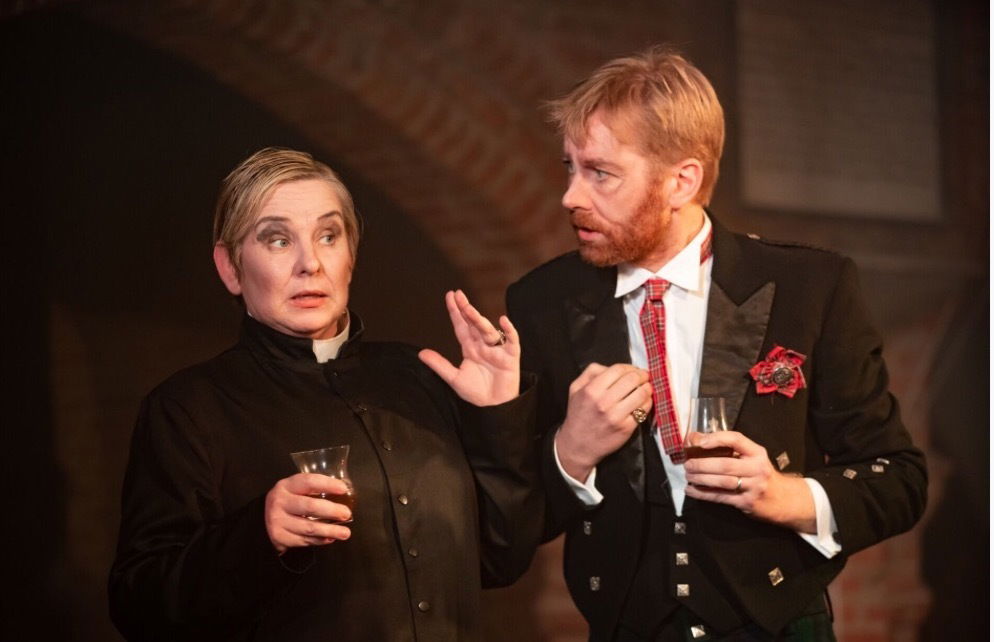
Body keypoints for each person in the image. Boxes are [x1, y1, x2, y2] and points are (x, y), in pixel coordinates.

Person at [506, 46, 927, 641]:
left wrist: (784, 495)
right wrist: (569, 451)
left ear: (682, 181)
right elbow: (510, 519)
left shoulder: (810, 286)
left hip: (781, 625)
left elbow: (899, 479)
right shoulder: (541, 302)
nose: (571, 196)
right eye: (570, 168)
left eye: (600, 173)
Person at [109, 147, 542, 641]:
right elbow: (138, 607)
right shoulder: (189, 408)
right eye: (278, 240)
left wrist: (496, 420)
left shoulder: (418, 376)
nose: (310, 263)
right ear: (230, 268)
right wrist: (259, 535)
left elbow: (501, 560)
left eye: (328, 236)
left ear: (351, 257)